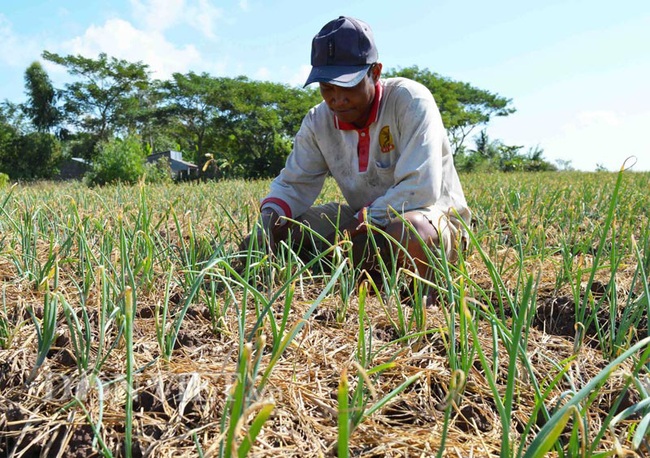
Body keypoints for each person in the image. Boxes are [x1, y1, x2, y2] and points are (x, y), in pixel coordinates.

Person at [249, 16, 471, 299]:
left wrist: (355, 227)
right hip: (362, 220)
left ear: (375, 72)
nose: (337, 99)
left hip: (431, 219)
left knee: (407, 230)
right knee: (286, 230)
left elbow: (419, 189)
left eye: (348, 86)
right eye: (327, 87)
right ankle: (356, 269)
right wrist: (271, 220)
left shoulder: (410, 101)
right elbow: (294, 184)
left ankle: (423, 298)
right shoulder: (319, 121)